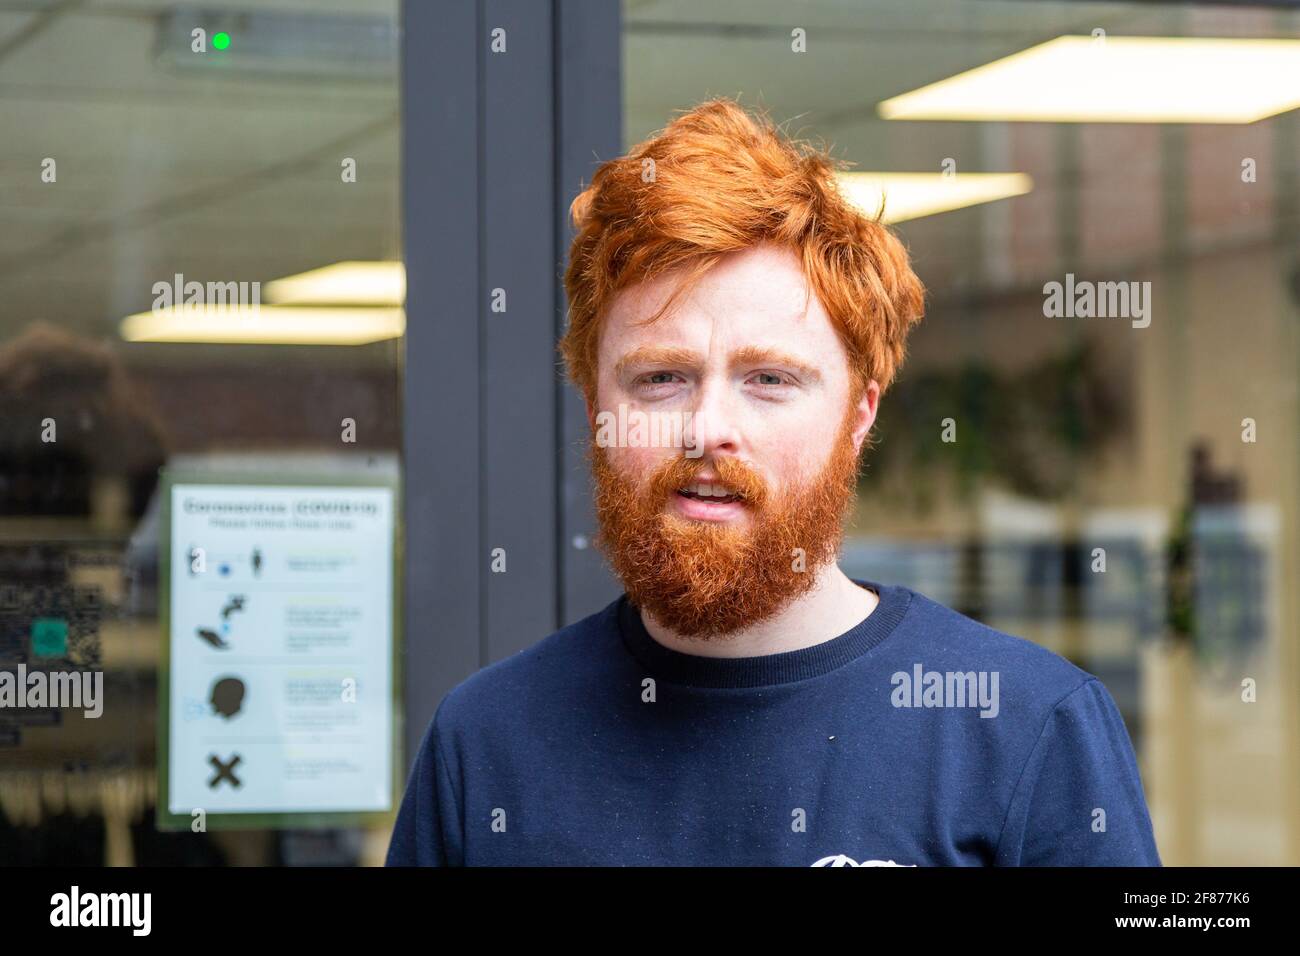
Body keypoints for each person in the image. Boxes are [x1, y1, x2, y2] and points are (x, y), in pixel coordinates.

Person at [386, 97, 1161, 866]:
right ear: (597, 407)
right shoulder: (486, 743)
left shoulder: (1024, 729)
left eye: (769, 379)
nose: (707, 429)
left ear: (859, 413)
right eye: (660, 377)